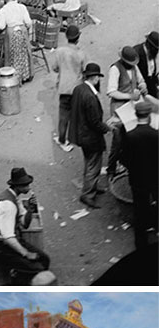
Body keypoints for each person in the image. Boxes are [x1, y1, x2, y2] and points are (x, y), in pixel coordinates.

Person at [0, 166, 51, 284]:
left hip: (15, 242)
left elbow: (24, 224)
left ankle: (20, 278)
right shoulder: (8, 204)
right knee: (37, 268)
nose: (29, 188)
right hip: (3, 249)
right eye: (25, 185)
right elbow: (8, 237)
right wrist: (26, 253)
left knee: (45, 259)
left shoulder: (15, 198)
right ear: (17, 186)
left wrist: (30, 209)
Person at [68, 61, 108, 207]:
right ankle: (88, 194)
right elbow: (95, 122)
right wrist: (108, 127)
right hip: (90, 137)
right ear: (95, 78)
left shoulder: (79, 89)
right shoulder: (91, 97)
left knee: (89, 163)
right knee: (93, 165)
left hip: (81, 134)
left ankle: (92, 187)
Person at [120, 99, 158, 250]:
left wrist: (133, 168)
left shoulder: (130, 136)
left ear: (136, 115)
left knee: (139, 209)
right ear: (149, 115)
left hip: (137, 179)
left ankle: (141, 244)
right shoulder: (156, 135)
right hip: (155, 178)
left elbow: (124, 159)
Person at [49, 25, 84, 150]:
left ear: (66, 37)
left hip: (64, 87)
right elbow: (84, 71)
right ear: (78, 38)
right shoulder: (80, 54)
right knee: (77, 113)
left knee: (63, 116)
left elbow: (54, 68)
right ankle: (77, 137)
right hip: (77, 88)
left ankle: (62, 139)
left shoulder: (59, 51)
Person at [0, 0, 33, 85]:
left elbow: (1, 26)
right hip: (22, 33)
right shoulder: (22, 7)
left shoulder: (3, 10)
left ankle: (16, 78)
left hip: (11, 34)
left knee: (13, 56)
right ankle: (24, 75)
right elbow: (28, 22)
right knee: (23, 54)